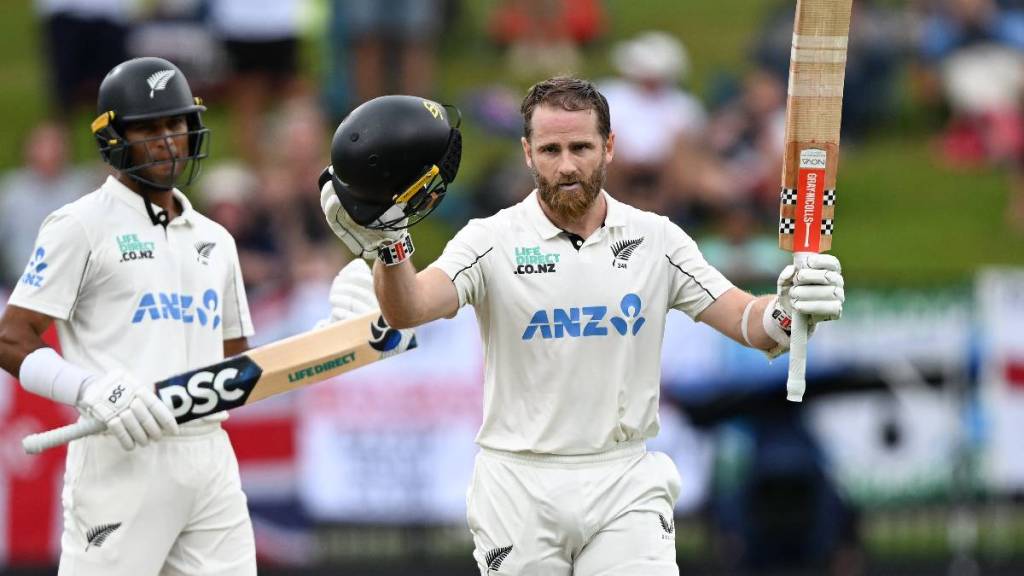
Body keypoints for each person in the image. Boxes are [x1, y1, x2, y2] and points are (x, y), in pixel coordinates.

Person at [319, 79, 845, 575]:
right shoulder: (489, 240)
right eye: (550, 151)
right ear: (527, 152)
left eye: (581, 148)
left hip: (623, 478)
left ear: (609, 146)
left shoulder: (656, 239)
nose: (566, 166)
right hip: (519, 482)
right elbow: (410, 309)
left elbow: (748, 323)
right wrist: (389, 244)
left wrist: (789, 310)